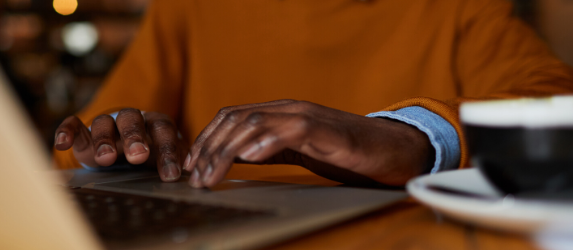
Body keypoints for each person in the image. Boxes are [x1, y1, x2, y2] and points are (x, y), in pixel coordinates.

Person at [53, 0, 573, 188]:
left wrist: (415, 136)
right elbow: (89, 151)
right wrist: (114, 151)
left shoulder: (460, 8)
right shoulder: (192, 7)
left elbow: (557, 104)